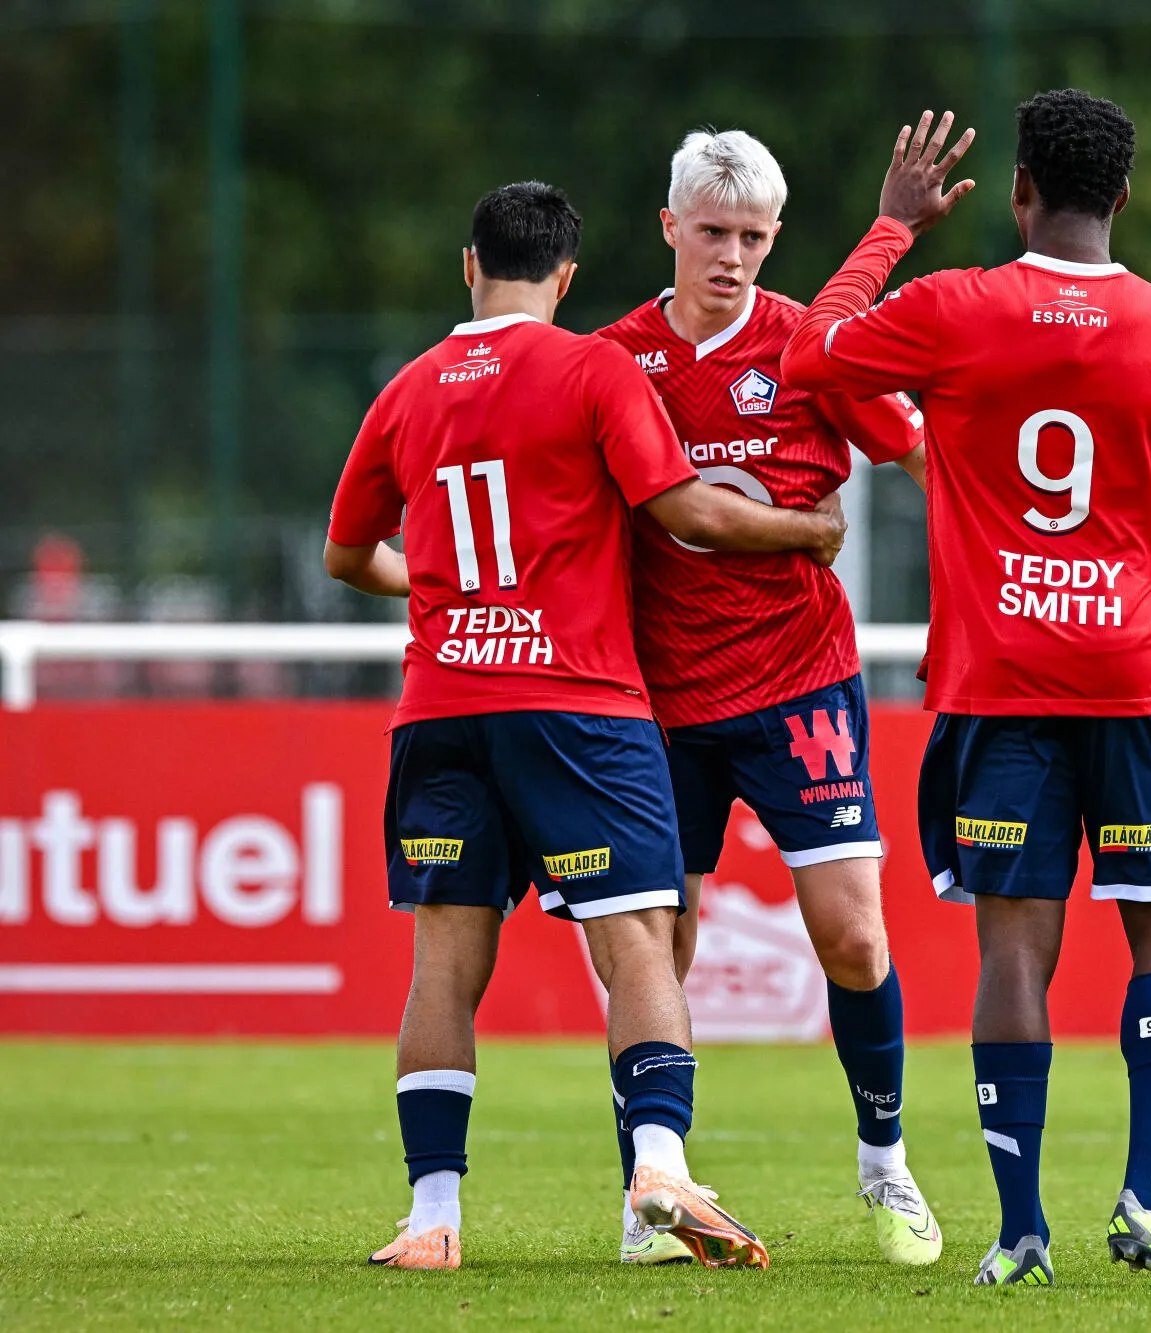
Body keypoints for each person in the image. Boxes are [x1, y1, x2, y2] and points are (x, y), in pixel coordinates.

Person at [783, 93, 1151, 1291]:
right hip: (1140, 680)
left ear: (1019, 191)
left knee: (1013, 939)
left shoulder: (954, 307)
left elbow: (809, 357)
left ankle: (1019, 1231)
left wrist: (893, 226)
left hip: (998, 681)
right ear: (1123, 198)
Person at [324, 181, 845, 1272]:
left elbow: (347, 554)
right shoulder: (596, 368)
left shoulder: (406, 390)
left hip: (443, 705)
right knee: (638, 940)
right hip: (576, 702)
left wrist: (441, 593)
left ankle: (431, 1217)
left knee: (444, 963)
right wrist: (805, 528)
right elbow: (683, 509)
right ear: (565, 277)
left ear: (469, 265)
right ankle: (659, 1168)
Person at [595, 129, 940, 1268]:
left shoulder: (807, 345)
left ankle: (885, 1164)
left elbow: (929, 462)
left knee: (854, 936)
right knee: (655, 947)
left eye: (751, 236)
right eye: (711, 232)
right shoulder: (612, 360)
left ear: (775, 237)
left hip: (801, 683)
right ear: (669, 228)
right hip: (656, 700)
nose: (730, 256)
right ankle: (653, 1189)